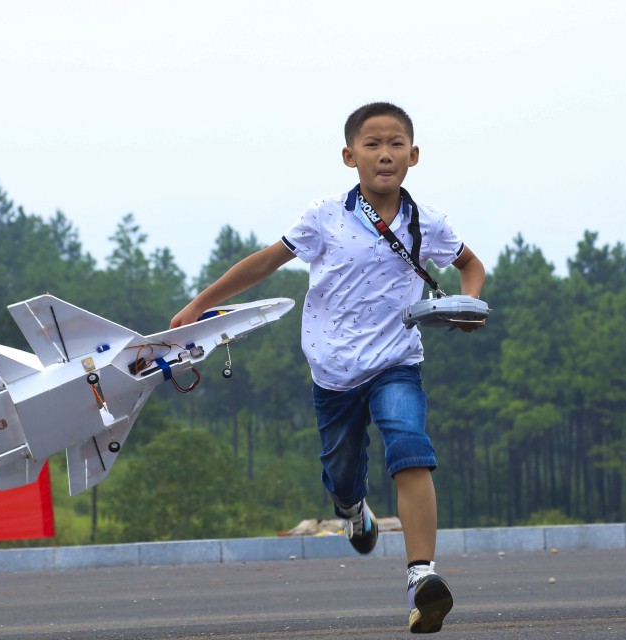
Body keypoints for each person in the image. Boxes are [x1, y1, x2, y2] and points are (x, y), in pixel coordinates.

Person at [170, 101, 486, 634]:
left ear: (414, 155)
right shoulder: (325, 215)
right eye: (372, 144)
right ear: (349, 156)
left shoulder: (425, 221)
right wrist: (200, 305)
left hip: (396, 362)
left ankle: (421, 576)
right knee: (342, 474)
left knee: (410, 445)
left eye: (395, 144)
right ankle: (352, 509)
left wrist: (469, 304)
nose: (384, 154)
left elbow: (469, 266)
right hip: (334, 370)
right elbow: (267, 261)